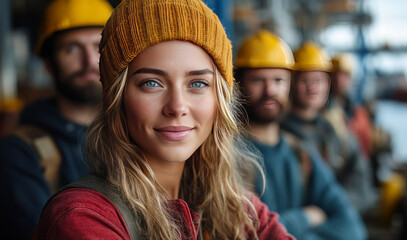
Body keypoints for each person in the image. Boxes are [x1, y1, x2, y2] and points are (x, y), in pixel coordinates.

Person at [32, 0, 295, 239]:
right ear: (117, 97)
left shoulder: (238, 207)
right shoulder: (83, 217)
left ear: (220, 99)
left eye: (198, 83)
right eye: (151, 83)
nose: (177, 107)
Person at [236, 30, 366, 240]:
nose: (270, 90)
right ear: (239, 85)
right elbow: (246, 233)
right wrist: (306, 218)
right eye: (258, 80)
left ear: (289, 85)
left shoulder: (300, 152)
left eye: (278, 80)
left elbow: (352, 227)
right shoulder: (226, 156)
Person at [0, 0, 113, 239]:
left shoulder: (136, 134)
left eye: (99, 47)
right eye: (71, 48)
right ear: (49, 63)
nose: (89, 61)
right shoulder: (20, 152)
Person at [281, 41, 377, 213]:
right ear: (290, 84)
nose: (312, 87)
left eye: (319, 80)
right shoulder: (278, 133)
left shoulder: (334, 129)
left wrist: (336, 207)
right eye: (305, 80)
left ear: (328, 84)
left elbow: (360, 177)